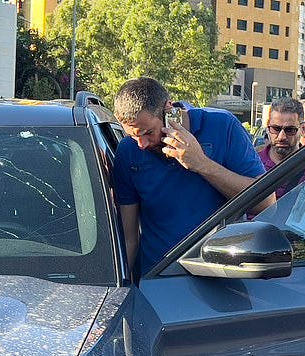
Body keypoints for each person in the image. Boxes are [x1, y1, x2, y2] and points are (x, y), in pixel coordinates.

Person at [112, 77, 274, 276]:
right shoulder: (128, 152)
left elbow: (265, 202)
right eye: (133, 136)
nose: (141, 144)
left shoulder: (223, 126)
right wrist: (123, 287)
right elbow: (129, 238)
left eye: (147, 133)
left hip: (224, 278)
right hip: (157, 281)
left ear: (168, 109)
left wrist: (201, 164)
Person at [257, 97, 305, 199]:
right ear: (268, 128)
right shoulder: (251, 165)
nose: (281, 136)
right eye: (276, 129)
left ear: (303, 129)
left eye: (290, 130)